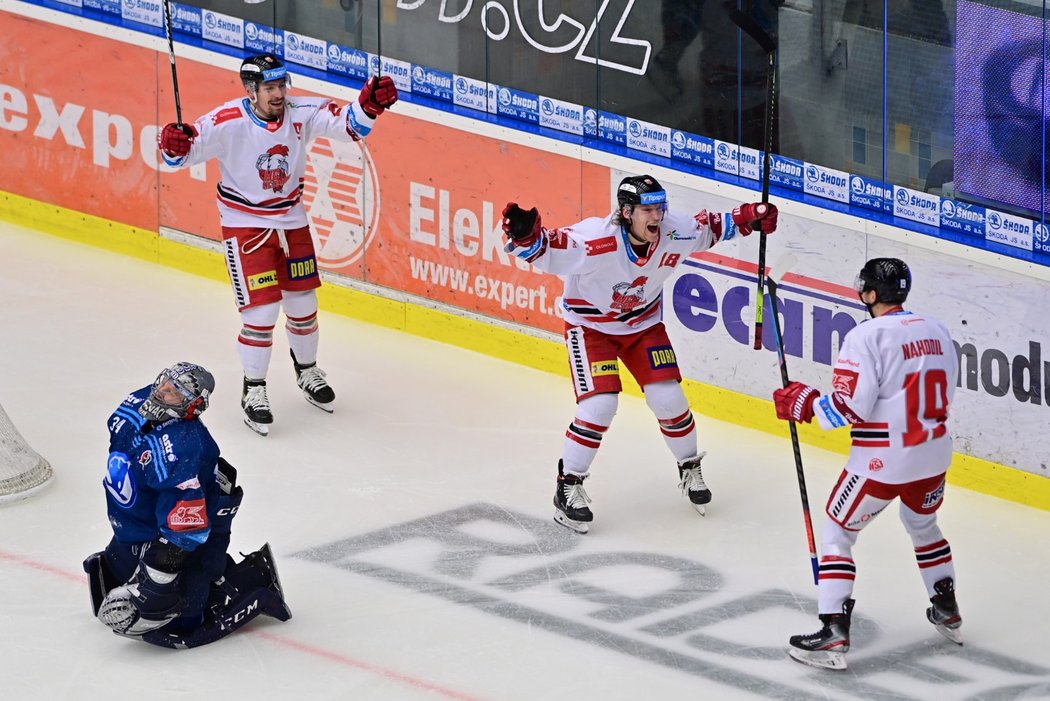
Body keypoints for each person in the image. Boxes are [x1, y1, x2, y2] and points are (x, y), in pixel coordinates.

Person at [502, 175, 778, 533]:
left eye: (660, 208)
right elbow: (548, 250)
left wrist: (749, 218)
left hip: (643, 327)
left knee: (670, 399)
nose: (657, 217)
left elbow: (711, 227)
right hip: (591, 329)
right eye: (647, 210)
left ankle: (689, 466)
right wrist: (526, 235)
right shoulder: (596, 239)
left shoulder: (674, 229)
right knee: (599, 406)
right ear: (626, 212)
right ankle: (568, 485)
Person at [158, 54, 399, 436]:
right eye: (270, 88)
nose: (279, 94)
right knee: (261, 314)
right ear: (251, 90)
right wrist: (172, 144)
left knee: (304, 305)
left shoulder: (301, 111)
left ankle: (307, 372)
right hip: (246, 227)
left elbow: (351, 126)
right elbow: (179, 155)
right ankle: (253, 389)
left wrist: (370, 105)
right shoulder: (227, 121)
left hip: (292, 222)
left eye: (282, 85)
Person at [772, 258, 962, 670]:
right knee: (923, 525)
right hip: (933, 455)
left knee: (838, 532)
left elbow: (849, 408)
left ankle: (833, 631)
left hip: (882, 462)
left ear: (872, 294)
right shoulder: (938, 330)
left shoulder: (866, 336)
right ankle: (946, 607)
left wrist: (804, 404)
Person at [83, 362, 292, 649]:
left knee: (183, 620)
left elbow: (185, 530)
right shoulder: (134, 403)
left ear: (192, 407)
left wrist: (154, 585)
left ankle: (253, 579)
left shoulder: (184, 448)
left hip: (175, 536)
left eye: (175, 393)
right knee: (116, 571)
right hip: (134, 528)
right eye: (164, 384)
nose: (162, 392)